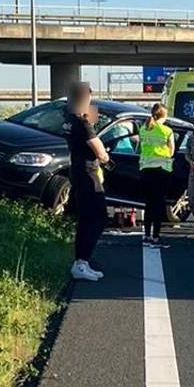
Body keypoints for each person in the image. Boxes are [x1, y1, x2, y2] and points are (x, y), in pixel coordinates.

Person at [64, 82, 111, 281]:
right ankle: (82, 262)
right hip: (88, 174)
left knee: (85, 218)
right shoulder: (83, 125)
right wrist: (106, 156)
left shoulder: (69, 121)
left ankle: (81, 263)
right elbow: (100, 152)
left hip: (77, 171)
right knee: (98, 217)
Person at [138, 103, 176, 248]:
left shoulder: (144, 129)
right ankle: (156, 236)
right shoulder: (167, 130)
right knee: (159, 204)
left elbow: (141, 147)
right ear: (164, 116)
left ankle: (147, 235)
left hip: (146, 169)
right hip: (162, 170)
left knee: (148, 204)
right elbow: (171, 151)